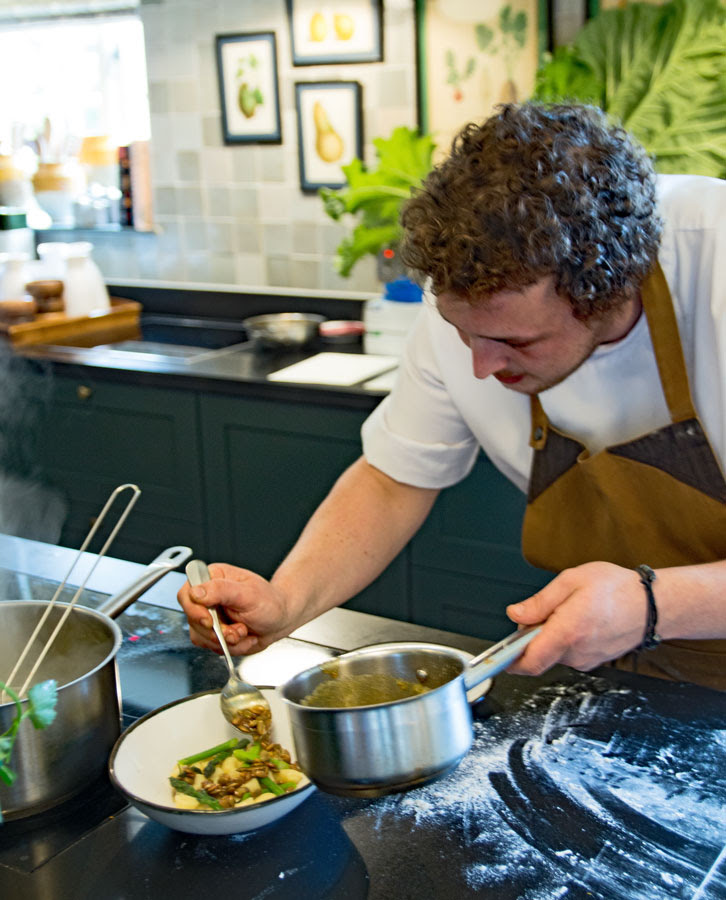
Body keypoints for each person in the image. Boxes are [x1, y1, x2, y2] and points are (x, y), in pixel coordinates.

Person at [178, 102, 726, 692]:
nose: (480, 366)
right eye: (463, 333)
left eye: (515, 342)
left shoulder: (714, 260)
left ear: (611, 292)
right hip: (621, 667)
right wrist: (286, 602)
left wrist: (649, 604)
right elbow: (393, 481)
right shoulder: (468, 289)